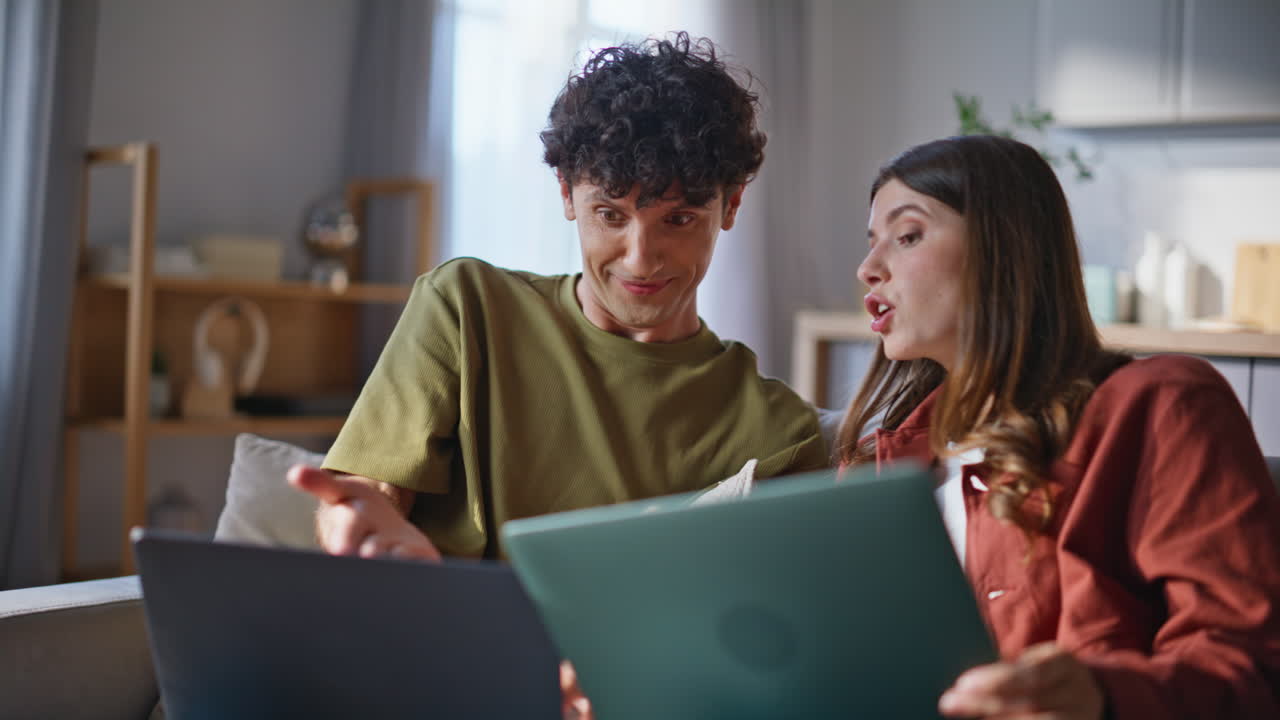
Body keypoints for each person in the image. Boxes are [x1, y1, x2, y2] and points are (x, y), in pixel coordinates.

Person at [287, 35, 826, 583]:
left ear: (730, 203)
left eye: (679, 219)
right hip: (438, 639)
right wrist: (359, 528)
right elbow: (366, 498)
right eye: (611, 215)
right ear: (567, 195)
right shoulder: (467, 307)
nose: (640, 259)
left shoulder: (780, 434)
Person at [840, 134, 1280, 719]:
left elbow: (1247, 664)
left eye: (908, 236)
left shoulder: (1160, 407)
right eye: (872, 244)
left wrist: (1099, 695)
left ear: (1004, 249)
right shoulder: (876, 467)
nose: (868, 269)